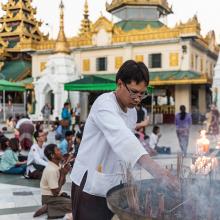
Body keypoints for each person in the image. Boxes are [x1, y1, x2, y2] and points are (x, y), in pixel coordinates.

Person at [70, 60, 178, 220]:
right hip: (90, 184)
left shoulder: (132, 112)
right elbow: (122, 138)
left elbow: (124, 150)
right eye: (133, 92)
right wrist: (156, 170)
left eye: (142, 93)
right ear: (119, 83)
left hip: (114, 184)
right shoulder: (104, 104)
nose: (137, 99)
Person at [33, 144, 72, 219]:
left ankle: (51, 208)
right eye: (58, 150)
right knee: (74, 206)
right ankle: (49, 208)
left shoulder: (57, 166)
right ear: (52, 155)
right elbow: (55, 192)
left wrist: (63, 173)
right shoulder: (51, 170)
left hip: (54, 196)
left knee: (75, 202)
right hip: (49, 198)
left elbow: (61, 183)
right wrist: (63, 175)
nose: (60, 152)